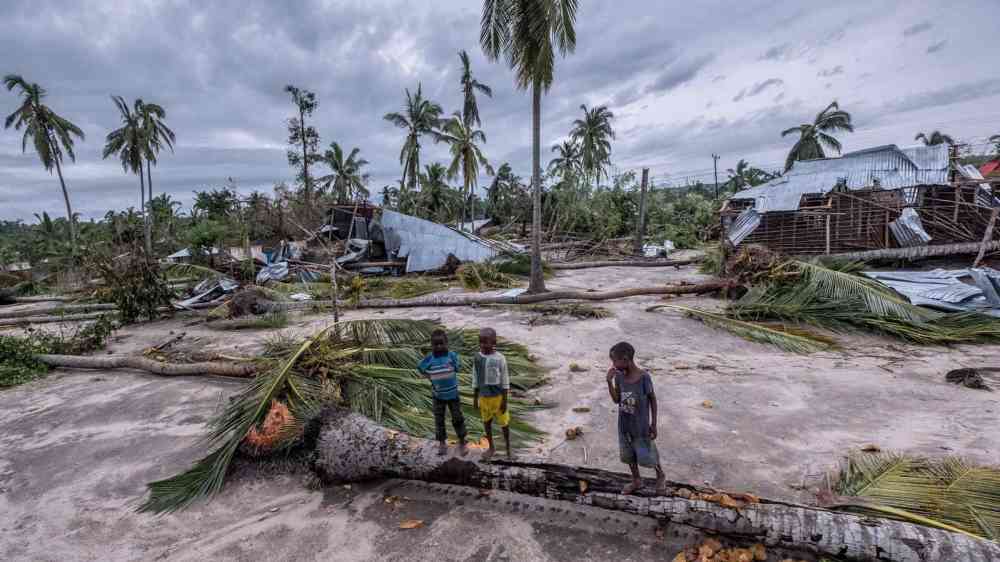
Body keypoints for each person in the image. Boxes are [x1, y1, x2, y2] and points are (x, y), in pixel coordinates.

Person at [606, 341, 666, 495]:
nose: (613, 364)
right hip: (624, 425)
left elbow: (652, 399)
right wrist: (609, 382)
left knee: (648, 453)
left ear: (626, 359)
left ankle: (660, 475)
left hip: (641, 426)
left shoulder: (643, 377)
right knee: (629, 455)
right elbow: (616, 400)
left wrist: (653, 424)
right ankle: (636, 480)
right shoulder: (618, 377)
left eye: (615, 361)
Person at [418, 328, 468, 456]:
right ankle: (442, 443)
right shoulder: (430, 358)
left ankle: (462, 441)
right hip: (438, 396)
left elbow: (457, 367)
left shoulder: (452, 356)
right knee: (439, 420)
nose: (439, 346)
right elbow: (420, 367)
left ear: (447, 344)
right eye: (436, 344)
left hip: (453, 395)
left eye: (442, 343)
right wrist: (430, 376)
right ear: (432, 345)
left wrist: (451, 368)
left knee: (457, 418)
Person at [473, 327, 511, 460]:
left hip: (498, 398)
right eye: (480, 342)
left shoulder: (500, 358)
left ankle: (508, 449)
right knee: (486, 423)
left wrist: (505, 401)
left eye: (486, 342)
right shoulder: (477, 357)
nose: (483, 345)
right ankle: (491, 447)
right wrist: (475, 398)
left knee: (504, 424)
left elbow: (505, 379)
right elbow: (475, 378)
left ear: (494, 342)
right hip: (484, 398)